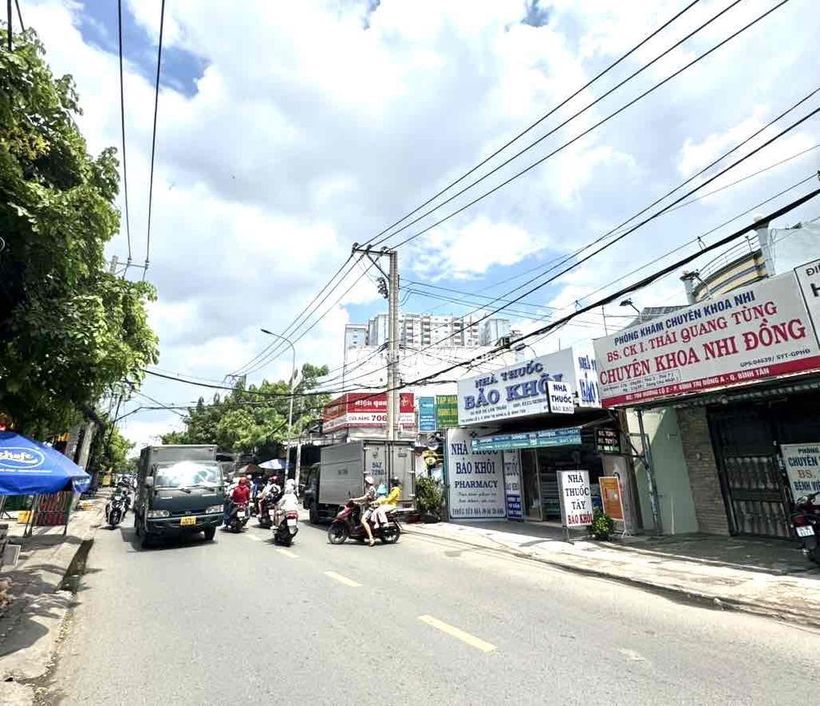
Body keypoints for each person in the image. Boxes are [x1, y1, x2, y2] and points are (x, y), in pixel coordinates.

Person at [351, 475, 378, 547]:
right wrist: (358, 503)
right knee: (361, 518)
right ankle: (361, 536)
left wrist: (354, 499)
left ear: (368, 483)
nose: (365, 484)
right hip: (369, 507)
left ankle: (371, 538)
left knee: (363, 520)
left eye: (365, 482)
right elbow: (367, 500)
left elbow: (365, 498)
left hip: (372, 508)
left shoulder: (371, 489)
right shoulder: (370, 489)